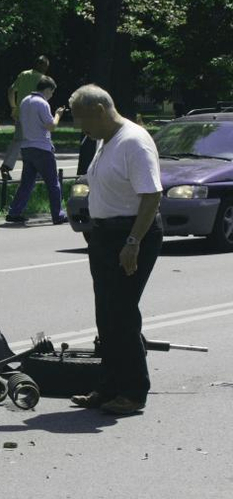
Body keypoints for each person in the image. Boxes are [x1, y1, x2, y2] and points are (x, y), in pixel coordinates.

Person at [68, 84, 163, 415]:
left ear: (99, 111)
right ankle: (109, 387)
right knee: (106, 316)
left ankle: (134, 391)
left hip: (131, 234)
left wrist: (133, 242)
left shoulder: (134, 142)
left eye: (83, 120)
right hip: (106, 236)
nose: (82, 128)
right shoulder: (104, 140)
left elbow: (151, 196)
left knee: (122, 314)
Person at [4, 76, 67, 224]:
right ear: (47, 89)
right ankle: (58, 215)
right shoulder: (42, 103)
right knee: (53, 183)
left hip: (27, 147)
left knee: (27, 183)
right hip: (42, 148)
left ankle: (14, 212)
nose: (51, 96)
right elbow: (51, 125)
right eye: (52, 92)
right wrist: (58, 114)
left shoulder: (25, 101)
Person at [0, 56, 50, 179]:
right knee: (36, 142)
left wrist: (13, 107)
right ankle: (36, 169)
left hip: (20, 114)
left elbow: (11, 90)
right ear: (45, 66)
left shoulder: (23, 75)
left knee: (18, 141)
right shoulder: (44, 80)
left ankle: (6, 167)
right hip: (36, 117)